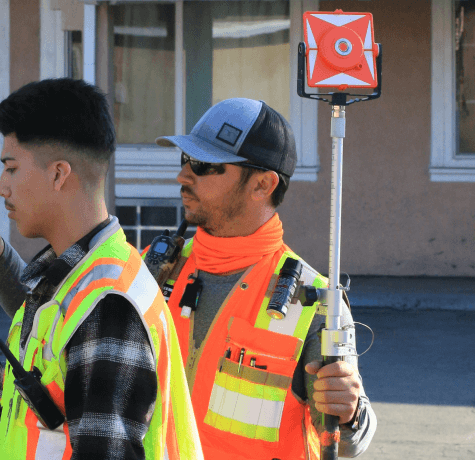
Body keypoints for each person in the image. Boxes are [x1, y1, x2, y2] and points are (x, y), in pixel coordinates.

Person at [0, 78, 203, 459]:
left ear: (59, 174)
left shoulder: (107, 304)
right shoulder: (75, 279)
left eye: (11, 168)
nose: (1, 188)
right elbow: (45, 419)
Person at [143, 98, 377, 459]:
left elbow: (347, 442)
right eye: (185, 159)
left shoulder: (313, 301)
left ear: (263, 184)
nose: (183, 176)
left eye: (203, 165)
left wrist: (350, 414)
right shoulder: (153, 269)